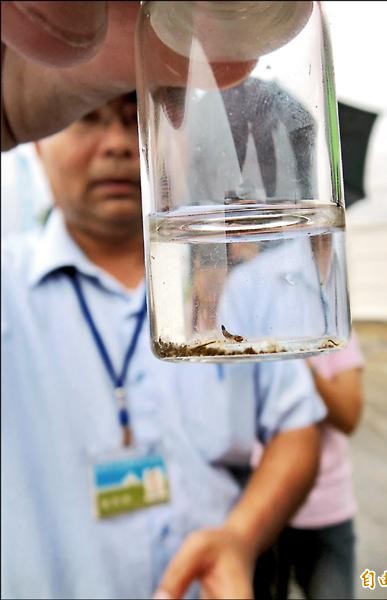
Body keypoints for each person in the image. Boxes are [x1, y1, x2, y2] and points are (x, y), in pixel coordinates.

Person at [1, 91, 328, 599]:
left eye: (136, 120)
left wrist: (240, 538)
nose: (116, 146)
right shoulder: (9, 288)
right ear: (36, 144)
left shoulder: (232, 277)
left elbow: (296, 427)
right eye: (85, 119)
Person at [253, 331, 365, 600]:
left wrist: (300, 362)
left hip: (324, 512)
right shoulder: (241, 321)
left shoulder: (333, 327)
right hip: (257, 508)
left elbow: (349, 416)